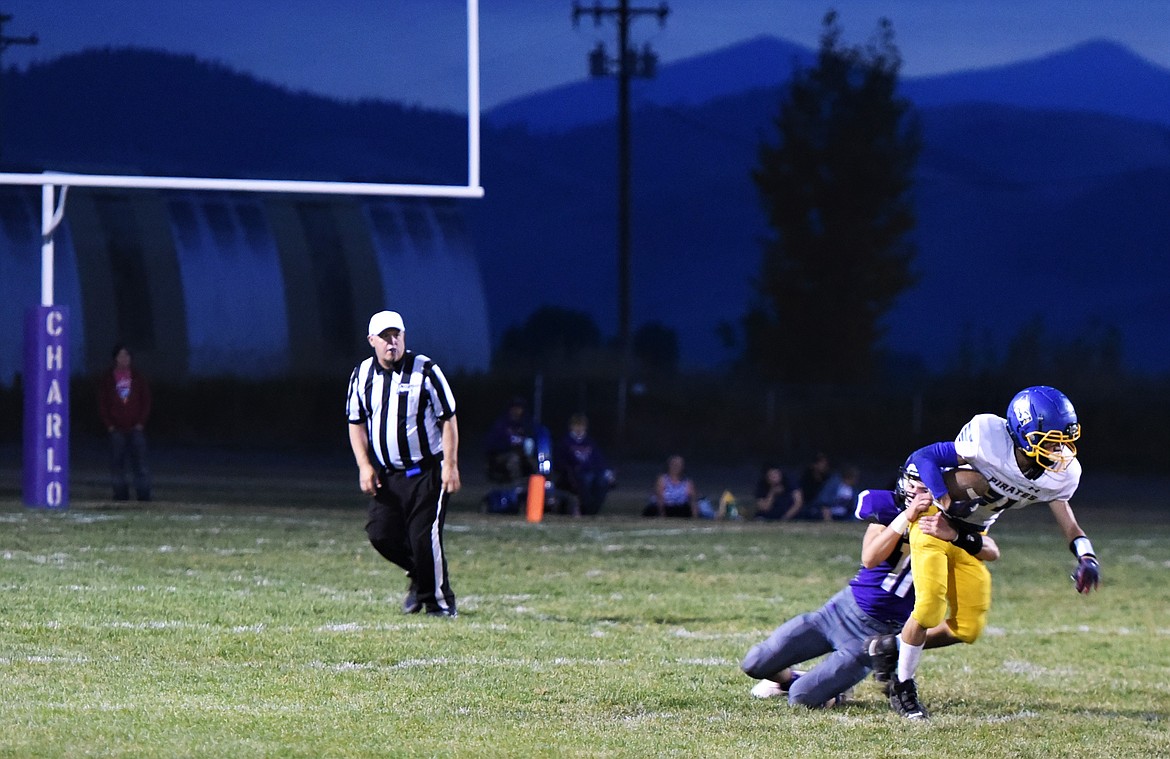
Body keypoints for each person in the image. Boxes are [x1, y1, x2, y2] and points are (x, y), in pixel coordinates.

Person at [873, 385, 1100, 720]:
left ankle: (890, 646)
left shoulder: (1060, 475)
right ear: (1024, 432)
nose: (1060, 448)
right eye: (1050, 439)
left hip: (970, 533)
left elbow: (1069, 524)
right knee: (929, 608)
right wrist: (945, 500)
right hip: (936, 521)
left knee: (968, 627)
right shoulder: (988, 440)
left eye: (1063, 439)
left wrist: (1087, 557)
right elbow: (923, 457)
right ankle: (902, 685)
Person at [742, 464, 1000, 708]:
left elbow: (991, 551)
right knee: (755, 663)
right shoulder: (888, 507)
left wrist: (955, 536)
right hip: (838, 611)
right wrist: (905, 517)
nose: (916, 492)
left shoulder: (955, 522)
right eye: (913, 484)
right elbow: (870, 557)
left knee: (802, 699)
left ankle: (830, 689)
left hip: (874, 635)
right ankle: (791, 680)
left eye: (925, 487)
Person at [346, 310, 461, 618]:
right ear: (372, 341)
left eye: (396, 335)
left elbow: (448, 418)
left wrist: (450, 464)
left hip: (426, 471)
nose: (391, 342)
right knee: (380, 533)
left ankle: (440, 603)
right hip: (389, 474)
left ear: (404, 337)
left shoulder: (425, 370)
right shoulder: (362, 375)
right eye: (384, 337)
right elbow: (355, 422)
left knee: (423, 537)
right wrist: (364, 465)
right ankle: (421, 575)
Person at [96, 343, 152, 501]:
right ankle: (120, 495)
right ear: (115, 358)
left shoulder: (138, 377)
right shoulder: (108, 378)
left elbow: (146, 400)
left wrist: (141, 423)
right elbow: (102, 403)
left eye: (126, 356)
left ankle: (144, 495)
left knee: (140, 464)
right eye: (120, 356)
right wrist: (110, 426)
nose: (124, 359)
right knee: (117, 465)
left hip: (136, 428)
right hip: (116, 430)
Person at [552, 412, 615, 516]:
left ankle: (592, 511)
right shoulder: (565, 442)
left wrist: (607, 473)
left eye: (581, 425)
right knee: (586, 480)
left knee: (602, 481)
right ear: (571, 426)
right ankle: (586, 510)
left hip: (592, 472)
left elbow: (599, 460)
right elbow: (560, 461)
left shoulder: (589, 442)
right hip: (574, 474)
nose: (579, 428)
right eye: (576, 425)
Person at [484, 396, 537, 485]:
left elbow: (530, 440)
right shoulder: (501, 424)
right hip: (501, 455)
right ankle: (516, 485)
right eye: (515, 408)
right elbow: (493, 444)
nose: (517, 411)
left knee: (534, 462)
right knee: (513, 460)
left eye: (520, 408)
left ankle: (536, 487)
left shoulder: (524, 425)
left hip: (521, 454)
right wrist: (510, 443)